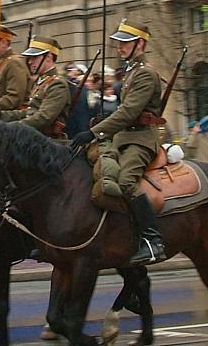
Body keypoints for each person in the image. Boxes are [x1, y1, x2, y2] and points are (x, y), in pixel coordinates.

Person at [70, 19, 166, 265]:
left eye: (125, 43)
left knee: (125, 182)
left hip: (141, 139)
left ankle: (152, 240)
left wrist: (94, 132)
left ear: (140, 44)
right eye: (119, 43)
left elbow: (129, 112)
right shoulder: (132, 71)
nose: (119, 47)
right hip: (122, 137)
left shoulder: (145, 74)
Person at [0, 36, 71, 139]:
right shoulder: (41, 82)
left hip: (48, 141)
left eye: (34, 58)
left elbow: (44, 117)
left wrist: (13, 127)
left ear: (48, 57)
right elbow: (29, 111)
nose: (30, 62)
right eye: (30, 58)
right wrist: (2, 115)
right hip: (34, 137)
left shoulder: (57, 84)